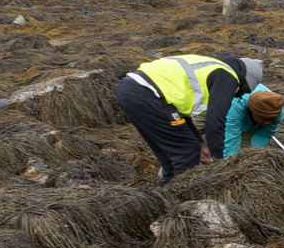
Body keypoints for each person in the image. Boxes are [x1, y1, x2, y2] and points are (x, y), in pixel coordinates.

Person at [115, 53, 270, 181]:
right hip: (147, 93)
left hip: (131, 90)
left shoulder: (213, 68)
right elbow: (215, 122)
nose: (239, 95)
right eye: (243, 91)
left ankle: (167, 199)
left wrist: (200, 143)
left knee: (171, 158)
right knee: (186, 154)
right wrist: (220, 164)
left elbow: (180, 113)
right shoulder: (228, 76)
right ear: (244, 80)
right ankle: (182, 204)